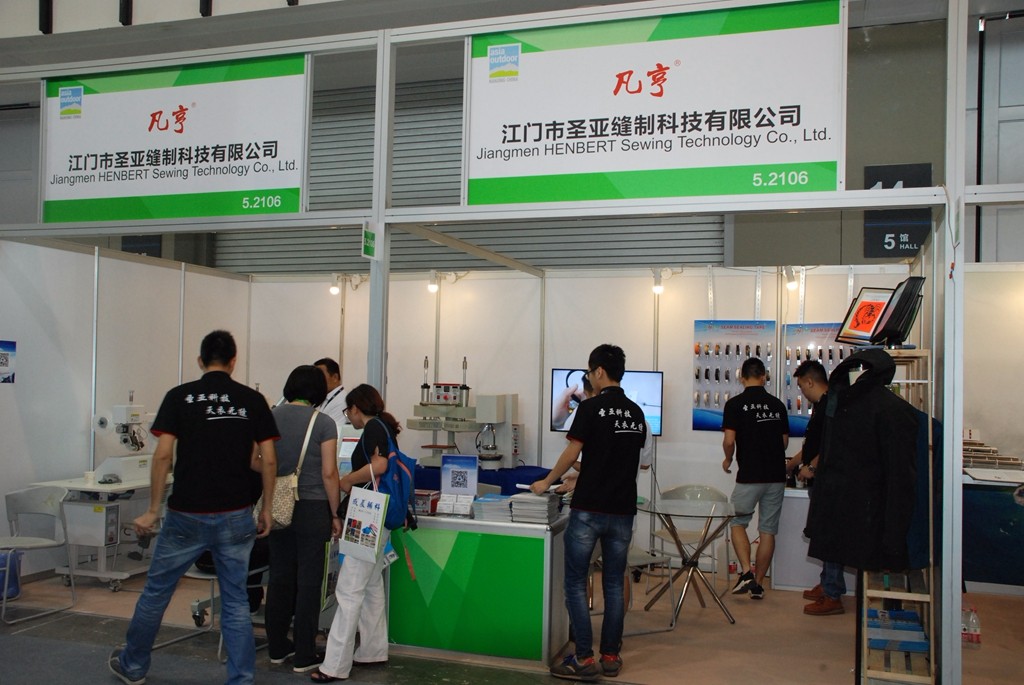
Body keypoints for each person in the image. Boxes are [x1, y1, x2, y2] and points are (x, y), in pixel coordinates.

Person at [109, 330, 279, 685]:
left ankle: (133, 666)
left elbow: (163, 456)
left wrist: (153, 509)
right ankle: (241, 679)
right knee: (235, 600)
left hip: (186, 514)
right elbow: (269, 459)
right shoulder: (252, 400)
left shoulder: (178, 397)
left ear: (201, 361)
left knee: (156, 592)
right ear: (233, 361)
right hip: (236, 515)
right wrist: (266, 508)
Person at [530, 344, 647, 682]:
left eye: (590, 371)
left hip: (589, 508)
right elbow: (624, 460)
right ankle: (610, 655)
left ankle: (583, 657)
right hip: (622, 510)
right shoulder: (636, 413)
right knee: (614, 583)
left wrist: (547, 481)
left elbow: (573, 451)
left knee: (575, 582)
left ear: (598, 372)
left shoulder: (591, 408)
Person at [312, 384, 400, 683]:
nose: (348, 416)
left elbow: (380, 464)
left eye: (348, 410)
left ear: (355, 409)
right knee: (371, 586)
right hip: (380, 516)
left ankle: (334, 665)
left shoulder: (373, 428)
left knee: (349, 590)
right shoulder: (385, 427)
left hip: (366, 515)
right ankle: (373, 650)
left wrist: (347, 480)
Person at [806, 349, 918, 575]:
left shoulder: (841, 406)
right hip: (870, 508)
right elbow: (900, 477)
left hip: (851, 506)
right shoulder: (891, 408)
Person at [265, 365, 341, 671]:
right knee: (309, 582)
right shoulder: (323, 423)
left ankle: (276, 648)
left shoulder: (270, 417)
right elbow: (329, 473)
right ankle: (304, 654)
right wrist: (335, 513)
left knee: (279, 577)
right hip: (313, 508)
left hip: (277, 505)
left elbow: (256, 460)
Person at [722, 357, 789, 601]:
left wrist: (728, 459)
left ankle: (746, 572)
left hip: (749, 475)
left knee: (737, 522)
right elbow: (784, 442)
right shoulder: (778, 405)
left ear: (742, 378)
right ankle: (758, 585)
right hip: (776, 475)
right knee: (768, 530)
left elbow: (729, 440)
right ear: (764, 377)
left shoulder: (734, 405)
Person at [789, 360, 847, 616]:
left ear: (810, 382)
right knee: (823, 534)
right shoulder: (823, 406)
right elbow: (814, 444)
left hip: (829, 482)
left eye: (802, 387)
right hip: (821, 481)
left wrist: (811, 467)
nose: (802, 392)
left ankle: (832, 594)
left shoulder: (832, 406)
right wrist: (792, 464)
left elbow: (833, 444)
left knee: (829, 535)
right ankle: (827, 583)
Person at [313, 358, 347, 438]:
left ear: (335, 377)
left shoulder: (343, 401)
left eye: (320, 376)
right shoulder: (323, 397)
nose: (316, 380)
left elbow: (332, 432)